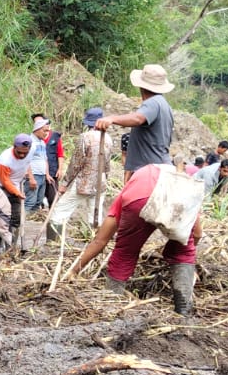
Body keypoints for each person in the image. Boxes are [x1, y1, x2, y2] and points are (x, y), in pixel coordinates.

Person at [65, 163, 200, 316]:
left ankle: (112, 303)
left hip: (139, 197)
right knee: (184, 250)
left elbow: (100, 241)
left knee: (125, 253)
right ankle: (183, 309)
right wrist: (184, 258)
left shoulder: (131, 186)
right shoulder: (182, 181)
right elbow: (197, 234)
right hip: (179, 197)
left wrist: (73, 271)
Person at [97, 64, 175, 180]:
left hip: (149, 171)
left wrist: (112, 118)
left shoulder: (153, 103)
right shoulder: (164, 105)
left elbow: (138, 118)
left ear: (142, 87)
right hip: (157, 167)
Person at [48, 107, 108, 240]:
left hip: (84, 183)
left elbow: (76, 163)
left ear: (88, 124)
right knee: (94, 216)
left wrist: (64, 184)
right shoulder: (108, 138)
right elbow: (107, 166)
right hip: (101, 183)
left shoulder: (85, 137)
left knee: (59, 212)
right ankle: (93, 242)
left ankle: (52, 243)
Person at [0, 134, 34, 247]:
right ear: (14, 147)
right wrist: (17, 193)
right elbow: (4, 180)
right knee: (1, 218)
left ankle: (12, 247)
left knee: (16, 218)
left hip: (15, 186)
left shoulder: (31, 151)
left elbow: (27, 163)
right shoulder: (5, 159)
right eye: (19, 152)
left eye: (24, 153)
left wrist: (30, 177)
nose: (22, 155)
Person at [34, 113, 65, 208]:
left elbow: (60, 154)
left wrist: (60, 169)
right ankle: (40, 214)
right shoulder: (34, 138)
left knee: (52, 196)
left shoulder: (55, 137)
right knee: (38, 197)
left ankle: (53, 215)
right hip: (38, 172)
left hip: (52, 170)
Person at [25, 118, 52, 214]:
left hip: (42, 175)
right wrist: (31, 178)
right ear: (37, 129)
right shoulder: (29, 142)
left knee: (38, 201)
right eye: (45, 131)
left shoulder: (42, 142)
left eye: (48, 131)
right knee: (30, 201)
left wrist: (47, 174)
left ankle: (31, 220)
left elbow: (45, 159)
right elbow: (25, 161)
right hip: (34, 175)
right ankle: (21, 223)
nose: (46, 133)